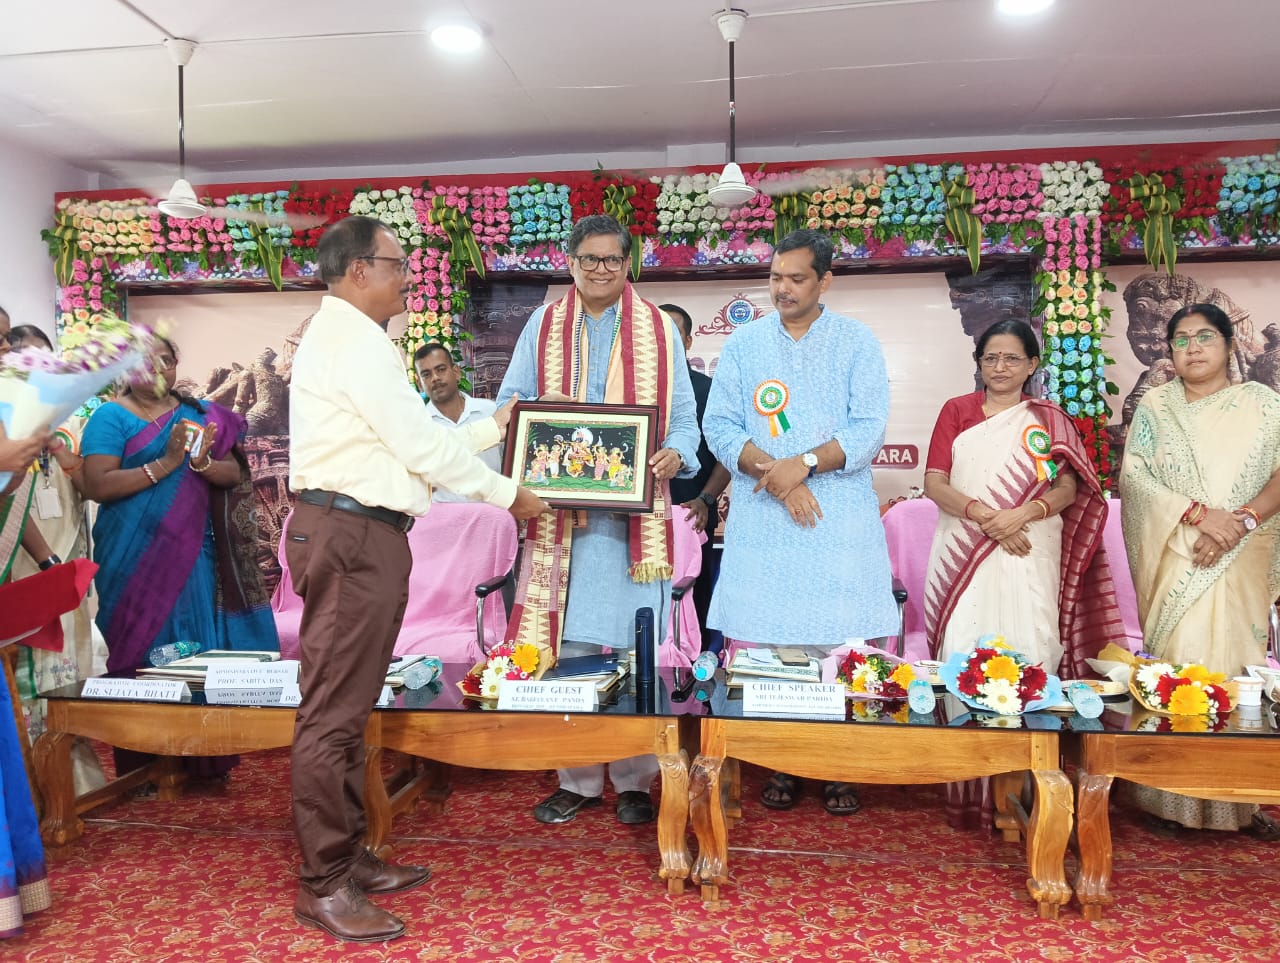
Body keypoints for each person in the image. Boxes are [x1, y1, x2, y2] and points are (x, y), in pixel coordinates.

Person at [287, 215, 548, 943]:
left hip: (363, 533)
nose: (408, 277)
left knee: (350, 706)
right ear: (358, 269)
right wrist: (509, 494)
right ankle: (324, 884)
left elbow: (415, 442)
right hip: (351, 537)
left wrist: (497, 426)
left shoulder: (353, 339)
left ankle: (348, 858)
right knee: (331, 714)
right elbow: (421, 449)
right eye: (397, 264)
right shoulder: (354, 341)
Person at [496, 214, 700, 827]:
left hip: (636, 525)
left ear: (628, 262)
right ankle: (579, 780)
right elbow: (509, 404)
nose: (601, 269)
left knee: (635, 648)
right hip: (562, 522)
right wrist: (539, 415)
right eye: (589, 259)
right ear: (571, 262)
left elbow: (684, 421)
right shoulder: (542, 324)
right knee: (569, 648)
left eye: (612, 259)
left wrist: (675, 454)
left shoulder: (658, 329)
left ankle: (635, 780)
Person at [702, 228, 897, 817]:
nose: (782, 289)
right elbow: (720, 426)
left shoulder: (856, 342)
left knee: (838, 641)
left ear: (824, 281)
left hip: (836, 522)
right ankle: (782, 761)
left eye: (796, 278)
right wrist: (780, 476)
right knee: (774, 644)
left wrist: (805, 464)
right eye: (775, 277)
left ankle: (837, 764)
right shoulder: (744, 344)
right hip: (767, 519)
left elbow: (868, 429)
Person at [922, 319, 1126, 829]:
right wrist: (988, 518)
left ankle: (1034, 790)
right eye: (991, 357)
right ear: (979, 363)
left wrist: (1023, 515)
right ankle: (968, 791)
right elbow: (935, 483)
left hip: (1030, 546)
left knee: (1032, 646)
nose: (1000, 367)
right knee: (964, 650)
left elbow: (1069, 489)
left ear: (1032, 364)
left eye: (1012, 358)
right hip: (965, 545)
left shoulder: (1049, 419)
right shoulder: (957, 411)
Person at [80, 336, 279, 778]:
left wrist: (203, 463)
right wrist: (167, 462)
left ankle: (203, 757)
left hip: (192, 557)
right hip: (131, 560)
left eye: (166, 360)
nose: (157, 369)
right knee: (139, 652)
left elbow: (233, 473)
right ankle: (144, 761)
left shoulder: (201, 415)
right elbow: (97, 485)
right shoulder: (110, 417)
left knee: (195, 650)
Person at [1119, 302, 1280, 839]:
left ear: (1229, 344)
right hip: (1179, 551)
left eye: (1205, 336)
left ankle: (1238, 800)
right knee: (1180, 666)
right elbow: (1136, 478)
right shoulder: (1156, 406)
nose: (1193, 348)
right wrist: (1198, 516)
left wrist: (1241, 521)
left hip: (1243, 553)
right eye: (1182, 339)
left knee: (1237, 671)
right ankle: (1168, 799)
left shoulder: (1262, 404)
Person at [4, 326, 106, 755]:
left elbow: (92, 489)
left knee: (69, 667)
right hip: (17, 562)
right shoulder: (7, 423)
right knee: (27, 669)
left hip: (63, 558)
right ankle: (33, 763)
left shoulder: (72, 424)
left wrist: (63, 455)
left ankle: (71, 766)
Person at [661, 303, 730, 640]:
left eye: (674, 333)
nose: (665, 340)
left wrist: (706, 499)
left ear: (688, 342)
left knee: (692, 606)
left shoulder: (709, 390)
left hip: (692, 515)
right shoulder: (628, 389)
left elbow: (727, 454)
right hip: (637, 519)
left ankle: (695, 669)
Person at [413, 341, 502, 501]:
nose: (435, 378)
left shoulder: (489, 412)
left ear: (456, 372)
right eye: (426, 374)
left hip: (493, 512)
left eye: (441, 369)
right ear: (419, 384)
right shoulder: (419, 426)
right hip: (443, 515)